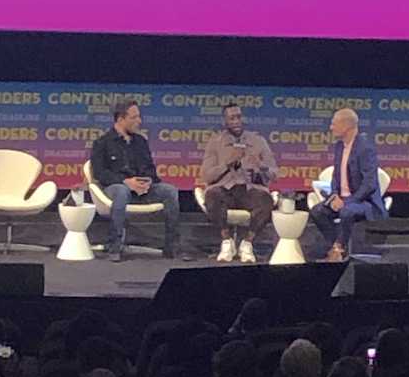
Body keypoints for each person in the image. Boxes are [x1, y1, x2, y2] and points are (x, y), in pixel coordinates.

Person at [91, 100, 182, 262]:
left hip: (141, 189)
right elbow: (100, 173)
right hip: (115, 189)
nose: (139, 121)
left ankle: (172, 247)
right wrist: (126, 181)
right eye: (134, 117)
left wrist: (147, 181)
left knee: (169, 191)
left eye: (139, 117)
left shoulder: (141, 141)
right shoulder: (102, 143)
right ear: (120, 119)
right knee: (122, 191)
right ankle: (115, 246)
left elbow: (150, 169)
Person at [201, 103, 278, 263]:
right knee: (212, 196)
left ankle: (247, 243)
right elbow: (207, 176)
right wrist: (227, 163)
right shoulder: (215, 142)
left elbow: (274, 174)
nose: (236, 121)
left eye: (239, 117)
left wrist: (261, 166)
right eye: (232, 118)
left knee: (266, 200)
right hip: (224, 189)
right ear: (225, 121)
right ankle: (226, 241)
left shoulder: (258, 141)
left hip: (249, 189)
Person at [310, 108, 387, 262]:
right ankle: (337, 247)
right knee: (317, 212)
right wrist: (334, 196)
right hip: (342, 199)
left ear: (346, 125)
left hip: (364, 202)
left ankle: (338, 249)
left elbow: (369, 184)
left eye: (334, 123)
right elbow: (335, 177)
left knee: (347, 212)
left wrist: (347, 201)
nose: (331, 127)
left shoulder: (365, 148)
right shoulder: (339, 146)